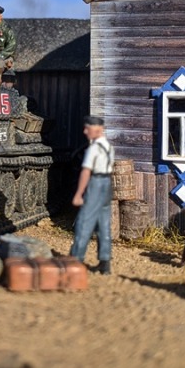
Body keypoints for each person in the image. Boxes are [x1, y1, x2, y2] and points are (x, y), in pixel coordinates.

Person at [70, 115, 115, 275]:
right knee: (104, 225)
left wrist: (79, 194)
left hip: (96, 184)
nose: (85, 131)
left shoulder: (94, 148)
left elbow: (86, 172)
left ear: (97, 130)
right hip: (107, 184)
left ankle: (75, 261)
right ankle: (105, 264)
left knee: (84, 222)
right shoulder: (109, 147)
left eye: (87, 128)